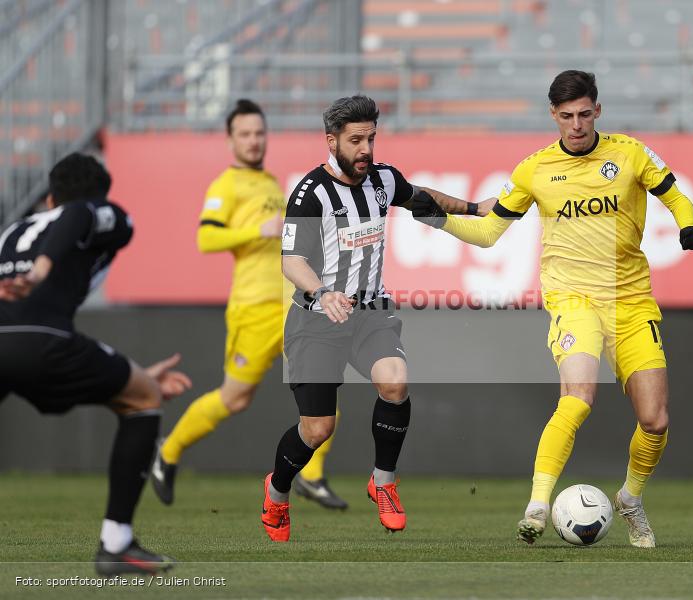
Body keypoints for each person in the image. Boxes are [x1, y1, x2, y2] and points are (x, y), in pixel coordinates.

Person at [411, 70, 693, 547]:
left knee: (655, 420)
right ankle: (537, 506)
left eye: (584, 114)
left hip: (631, 301)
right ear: (553, 115)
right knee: (578, 398)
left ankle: (630, 499)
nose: (576, 125)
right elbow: (489, 233)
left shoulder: (629, 153)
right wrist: (438, 219)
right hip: (573, 300)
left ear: (598, 111)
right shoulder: (535, 170)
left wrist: (687, 226)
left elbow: (675, 195)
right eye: (566, 116)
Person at [262, 95, 490, 542]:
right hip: (316, 320)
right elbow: (291, 261)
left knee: (396, 382)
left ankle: (383, 482)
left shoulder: (383, 179)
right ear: (332, 142)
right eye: (355, 140)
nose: (366, 149)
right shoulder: (310, 194)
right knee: (317, 429)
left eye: (370, 138)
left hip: (370, 313)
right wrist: (323, 292)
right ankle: (277, 488)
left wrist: (475, 208)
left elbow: (421, 198)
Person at [150, 99, 348, 510]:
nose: (254, 141)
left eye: (259, 133)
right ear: (230, 140)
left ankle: (310, 476)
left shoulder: (271, 183)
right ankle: (168, 451)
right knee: (234, 398)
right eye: (245, 134)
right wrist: (255, 228)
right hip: (253, 308)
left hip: (291, 305)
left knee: (323, 389)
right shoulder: (227, 185)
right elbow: (207, 239)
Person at [0, 153, 192, 574]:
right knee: (143, 397)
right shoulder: (98, 212)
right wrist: (39, 273)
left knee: (138, 382)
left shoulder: (14, 229)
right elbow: (81, 215)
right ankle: (117, 543)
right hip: (41, 340)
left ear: (49, 197)